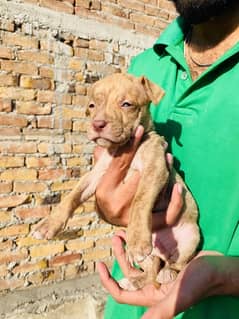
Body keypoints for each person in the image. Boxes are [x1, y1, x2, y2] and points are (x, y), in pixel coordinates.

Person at [95, 1, 239, 318]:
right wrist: (105, 203)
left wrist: (224, 275)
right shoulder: (145, 64)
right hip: (128, 305)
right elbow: (114, 176)